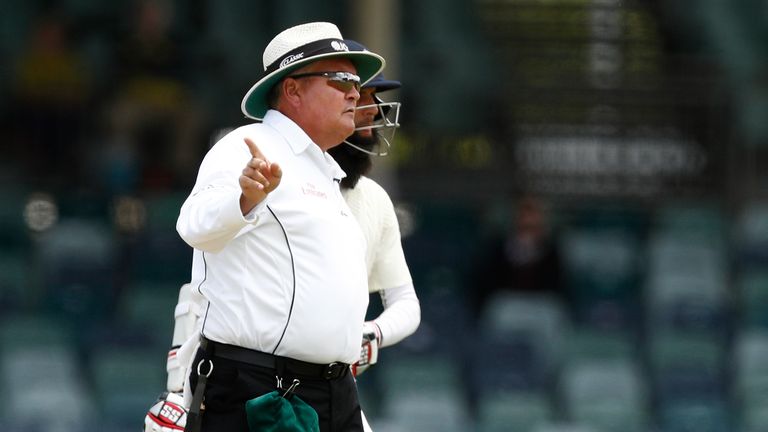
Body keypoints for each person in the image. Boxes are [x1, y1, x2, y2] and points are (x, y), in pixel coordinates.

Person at [144, 39, 420, 432]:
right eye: (342, 80)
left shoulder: (326, 169)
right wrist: (244, 199)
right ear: (292, 89)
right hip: (265, 389)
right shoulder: (242, 146)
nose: (356, 94)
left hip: (333, 391)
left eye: (356, 84)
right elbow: (193, 226)